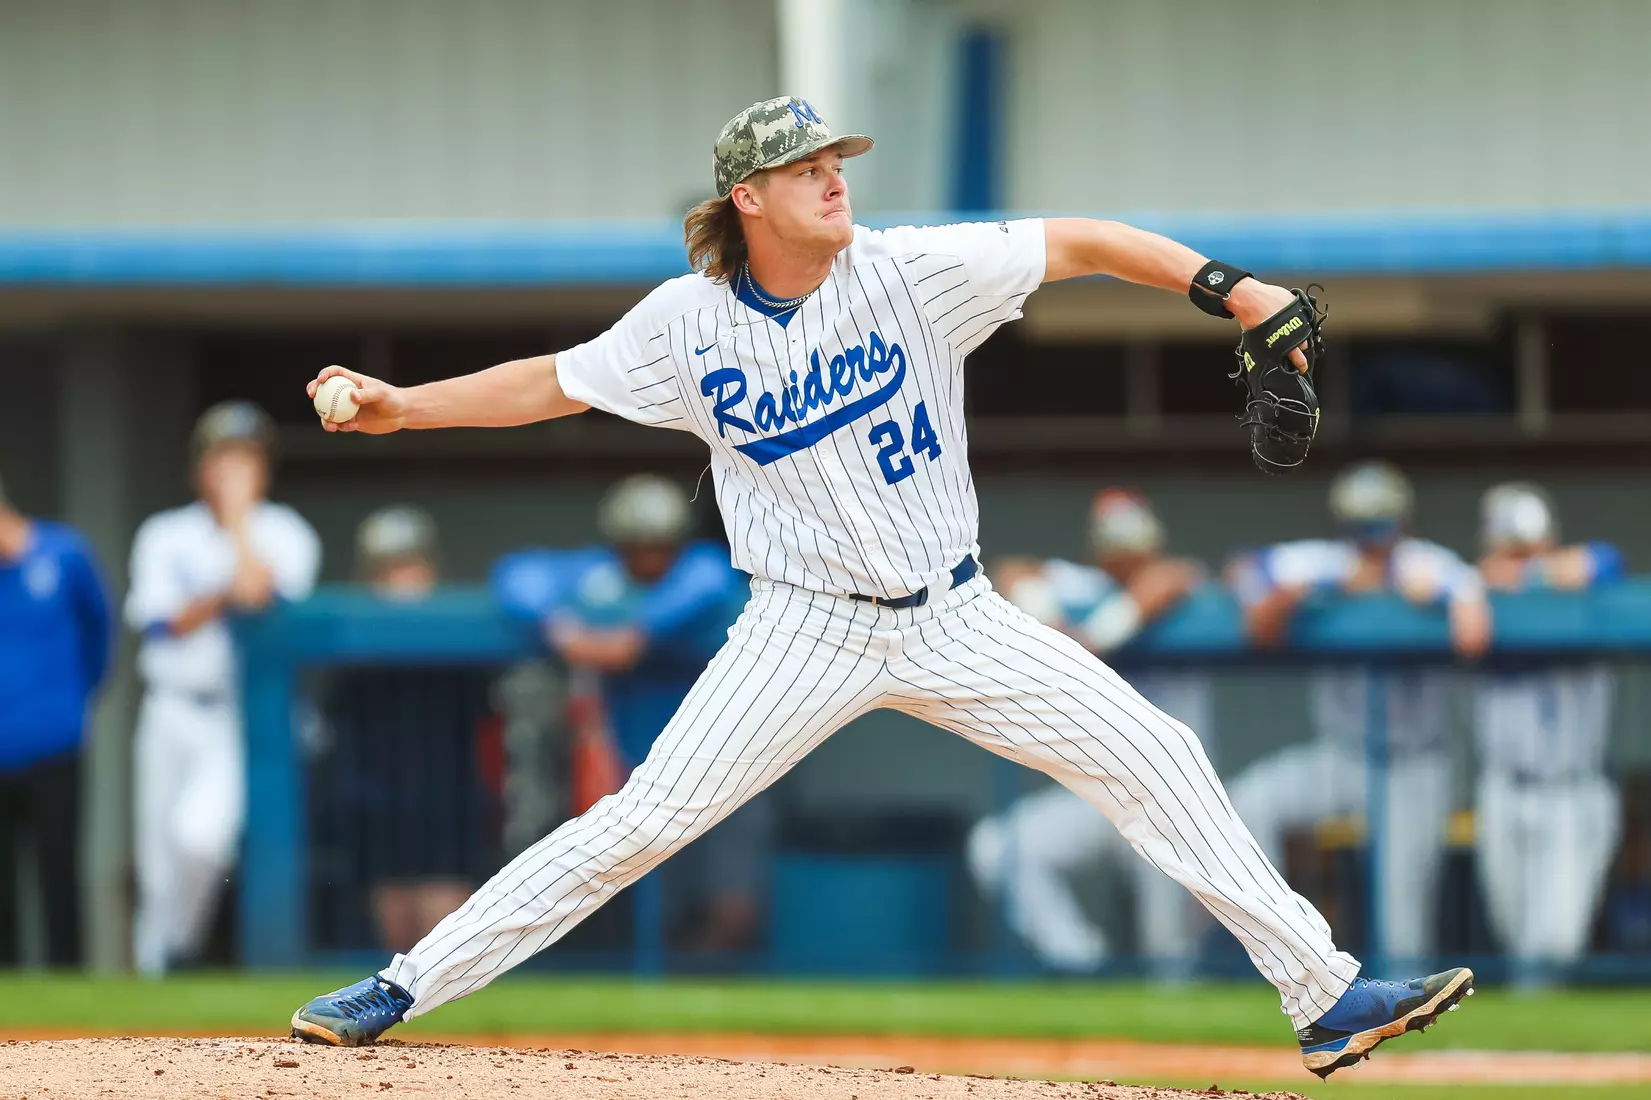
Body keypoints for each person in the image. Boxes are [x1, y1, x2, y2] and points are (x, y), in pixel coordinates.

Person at [291, 95, 1474, 1077]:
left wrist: (1238, 289)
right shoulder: (687, 325)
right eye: (802, 167)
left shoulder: (912, 271)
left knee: (1154, 751)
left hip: (955, 615)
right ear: (746, 198)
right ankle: (399, 984)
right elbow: (549, 381)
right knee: (640, 822)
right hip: (800, 628)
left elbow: (1085, 242)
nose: (831, 177)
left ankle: (1324, 998)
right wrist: (405, 405)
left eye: (834, 159)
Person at [1225, 461, 1491, 970]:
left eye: (1382, 525)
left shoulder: (1428, 564)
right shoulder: (1321, 563)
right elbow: (1244, 578)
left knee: (1401, 920)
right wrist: (1298, 595)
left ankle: (1407, 1015)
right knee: (1249, 805)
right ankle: (1284, 956)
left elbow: (1474, 632)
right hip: (1341, 756)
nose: (1374, 538)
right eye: (1363, 526)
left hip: (1415, 762)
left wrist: (1420, 595)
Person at [492, 474, 757, 954]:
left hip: (730, 761)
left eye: (659, 546)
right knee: (652, 902)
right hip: (636, 767)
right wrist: (561, 626)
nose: (648, 558)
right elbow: (516, 574)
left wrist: (637, 634)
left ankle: (713, 992)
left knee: (730, 904)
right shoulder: (599, 575)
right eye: (636, 546)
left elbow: (710, 584)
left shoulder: (703, 568)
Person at [967, 489, 1212, 978]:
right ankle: (1080, 965)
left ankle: (1175, 1018)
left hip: (1171, 800)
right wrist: (1053, 624)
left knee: (1168, 954)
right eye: (1115, 550)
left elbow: (1167, 582)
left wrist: (1096, 636)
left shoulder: (1176, 581)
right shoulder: (1081, 584)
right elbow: (1012, 571)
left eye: (1134, 550)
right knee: (998, 849)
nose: (1126, 561)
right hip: (1096, 794)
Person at [126, 402, 321, 975]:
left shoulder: (286, 533)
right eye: (224, 458)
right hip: (170, 710)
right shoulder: (164, 533)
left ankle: (180, 953)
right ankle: (153, 978)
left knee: (202, 839)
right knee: (157, 860)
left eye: (247, 459)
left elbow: (260, 595)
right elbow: (162, 621)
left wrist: (237, 521)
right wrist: (222, 589)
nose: (234, 470)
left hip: (237, 718)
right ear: (199, 467)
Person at [1472, 482, 1623, 985]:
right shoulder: (1476, 594)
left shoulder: (1588, 579)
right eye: (1510, 551)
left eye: (1531, 550)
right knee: (1514, 942)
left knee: (1552, 948)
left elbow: (1603, 561)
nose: (1519, 562)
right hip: (1504, 788)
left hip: (1571, 791)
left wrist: (1529, 574)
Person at [0, 471, 111, 966]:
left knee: (59, 873)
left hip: (56, 745)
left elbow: (99, 633)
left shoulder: (64, 554)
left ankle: (70, 981)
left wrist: (71, 701)